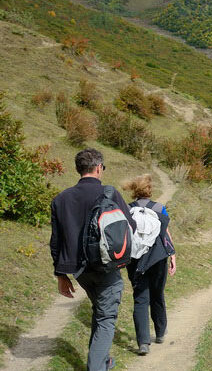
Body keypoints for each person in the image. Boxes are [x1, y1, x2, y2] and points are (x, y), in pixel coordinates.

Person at [50, 148, 135, 371]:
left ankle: (102, 361)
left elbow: (56, 241)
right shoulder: (109, 193)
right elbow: (130, 227)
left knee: (100, 312)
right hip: (107, 267)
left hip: (80, 271)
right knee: (107, 318)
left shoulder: (61, 199)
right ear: (98, 168)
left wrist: (61, 275)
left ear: (79, 169)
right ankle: (97, 366)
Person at [122, 174, 176, 356]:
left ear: (134, 190)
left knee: (140, 298)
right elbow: (165, 233)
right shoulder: (159, 208)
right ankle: (160, 332)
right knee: (157, 294)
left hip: (135, 260)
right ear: (149, 190)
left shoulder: (127, 210)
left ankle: (143, 343)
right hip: (158, 258)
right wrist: (172, 255)